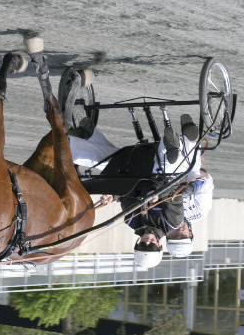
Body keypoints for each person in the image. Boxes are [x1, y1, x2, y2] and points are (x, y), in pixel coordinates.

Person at [62, 68, 213, 266]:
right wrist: (163, 193)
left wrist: (113, 194)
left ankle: (80, 137)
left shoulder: (132, 221)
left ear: (137, 243)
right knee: (169, 165)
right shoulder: (176, 220)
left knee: (104, 163)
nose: (147, 243)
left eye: (142, 246)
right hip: (168, 175)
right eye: (151, 247)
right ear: (160, 245)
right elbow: (185, 191)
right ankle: (183, 140)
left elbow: (127, 193)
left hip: (136, 172)